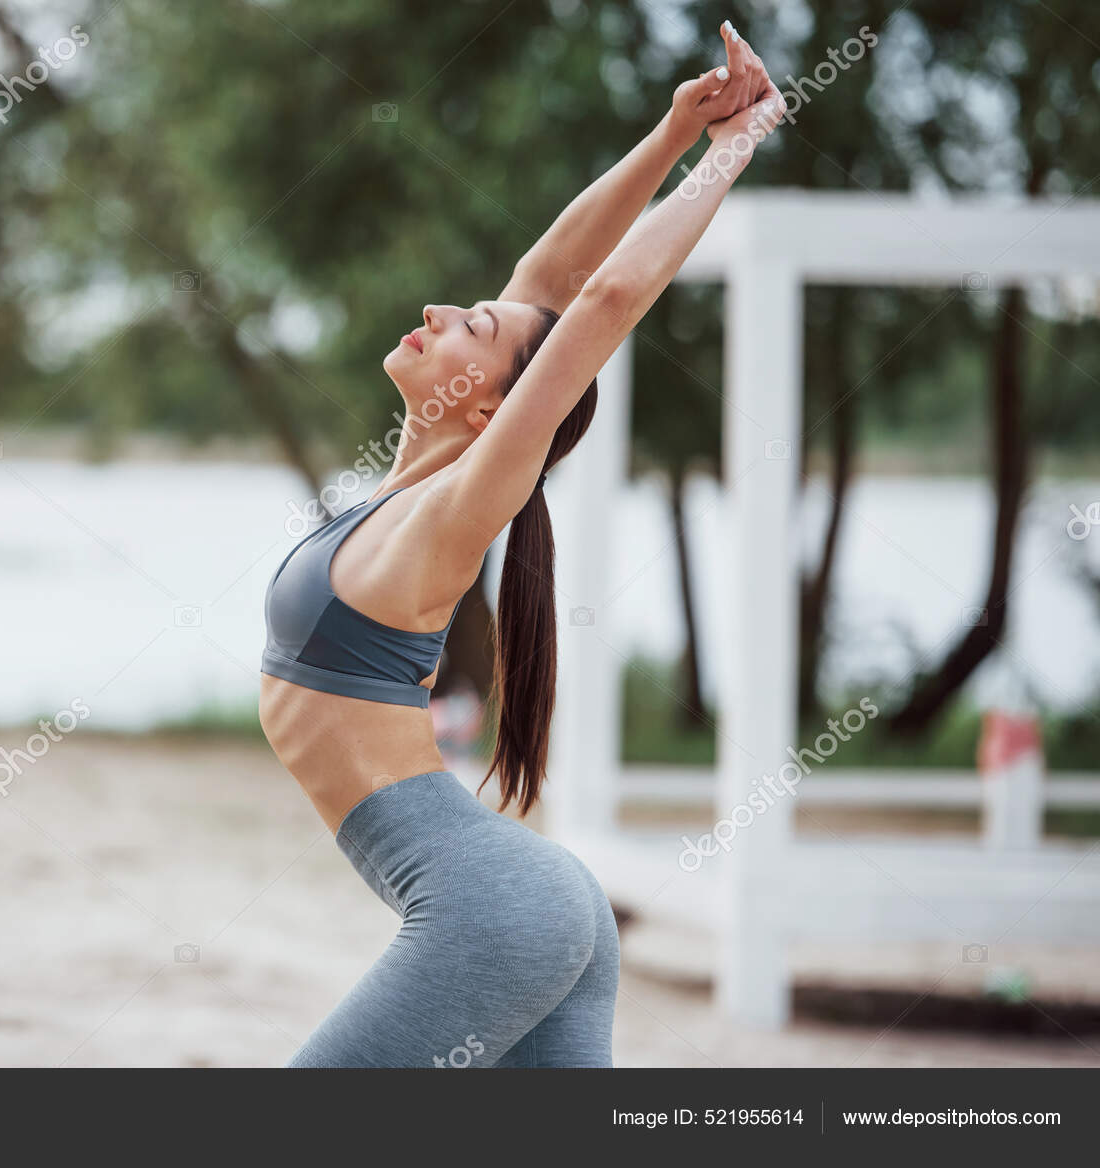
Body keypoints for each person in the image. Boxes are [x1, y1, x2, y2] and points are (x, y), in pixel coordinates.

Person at [260, 22, 784, 1067]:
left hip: (496, 911)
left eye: (475, 331)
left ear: (496, 403)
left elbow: (603, 299)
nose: (439, 309)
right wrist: (674, 127)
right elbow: (555, 271)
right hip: (531, 900)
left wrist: (735, 150)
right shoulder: (404, 483)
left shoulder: (463, 502)